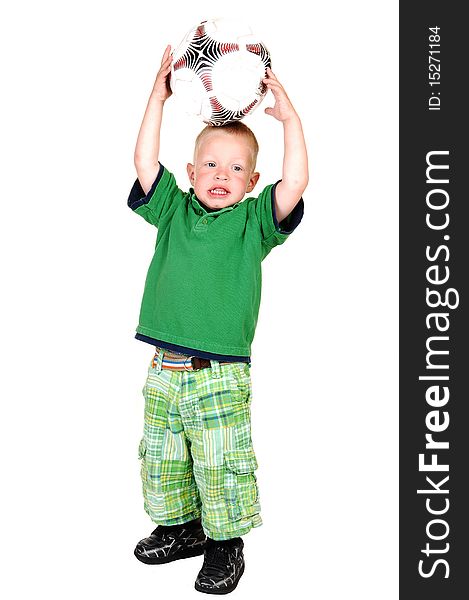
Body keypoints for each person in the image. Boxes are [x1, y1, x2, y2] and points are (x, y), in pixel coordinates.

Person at [127, 44, 308, 594]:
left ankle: (225, 544)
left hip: (219, 371)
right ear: (190, 171)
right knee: (163, 455)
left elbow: (296, 182)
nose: (220, 174)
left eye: (235, 168)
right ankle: (182, 529)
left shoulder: (255, 223)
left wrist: (290, 117)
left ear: (253, 181)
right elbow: (143, 163)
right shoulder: (173, 210)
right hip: (164, 366)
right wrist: (155, 98)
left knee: (219, 460)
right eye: (209, 164)